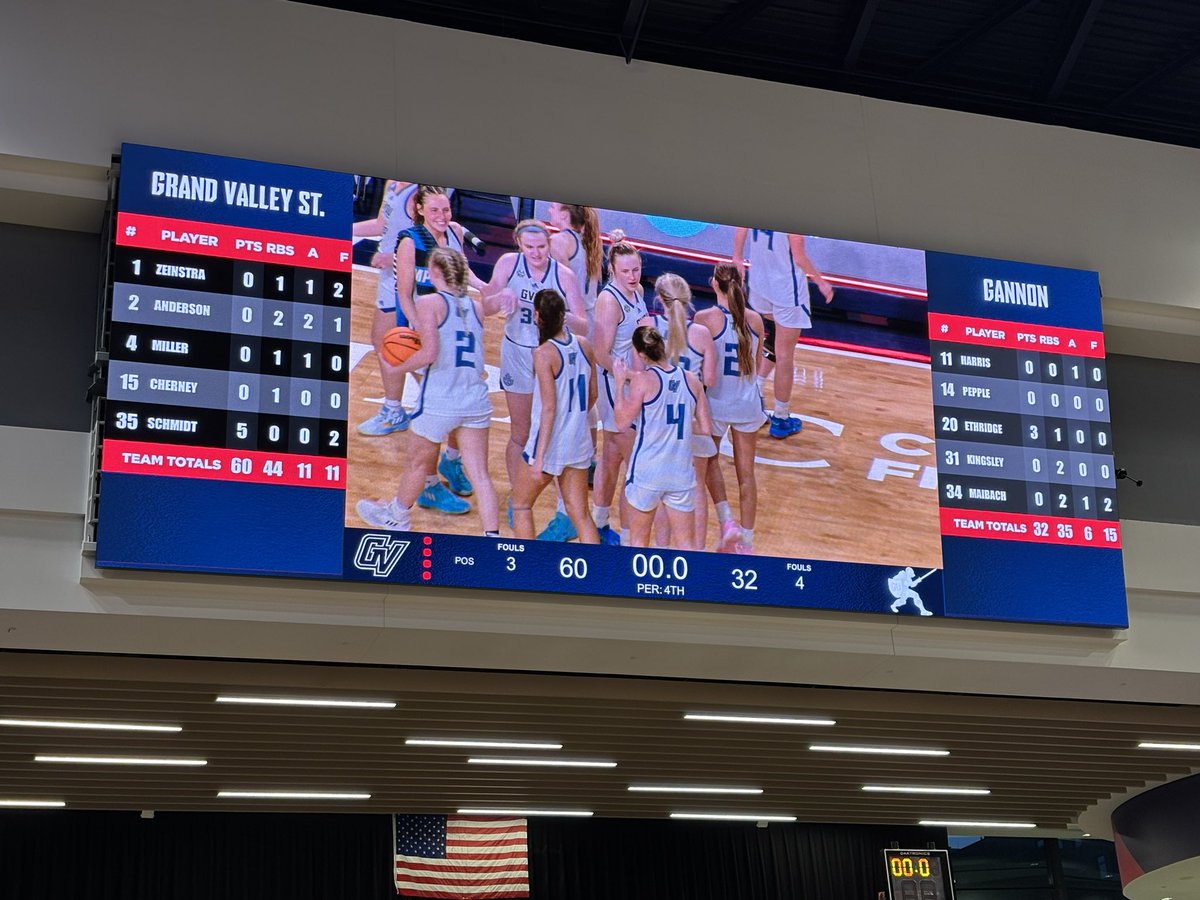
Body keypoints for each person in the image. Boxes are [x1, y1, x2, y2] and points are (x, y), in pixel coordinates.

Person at [356, 247, 503, 536]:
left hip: (440, 401)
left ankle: (397, 516)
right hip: (475, 400)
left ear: (435, 273)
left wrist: (393, 367)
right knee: (481, 476)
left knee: (416, 464)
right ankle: (492, 537)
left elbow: (429, 353)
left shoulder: (429, 303)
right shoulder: (474, 306)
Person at [359, 186, 485, 515]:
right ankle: (428, 484)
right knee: (434, 411)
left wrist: (486, 289)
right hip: (423, 333)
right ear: (420, 210)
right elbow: (403, 293)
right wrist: (419, 331)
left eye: (446, 210)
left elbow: (465, 275)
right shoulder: (408, 240)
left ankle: (451, 461)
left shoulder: (455, 234)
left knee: (460, 400)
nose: (443, 217)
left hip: (451, 331)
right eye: (435, 211)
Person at [482, 221, 587, 527]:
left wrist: (561, 316)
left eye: (541, 247)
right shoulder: (507, 264)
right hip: (517, 353)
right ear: (519, 244)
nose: (537, 253)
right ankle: (519, 499)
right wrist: (500, 300)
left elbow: (583, 324)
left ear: (549, 243)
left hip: (552, 358)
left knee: (556, 432)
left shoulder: (562, 275)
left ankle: (565, 510)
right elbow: (486, 306)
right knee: (520, 432)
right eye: (530, 247)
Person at [511, 289, 600, 544]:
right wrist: (574, 416)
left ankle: (525, 574)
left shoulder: (543, 354)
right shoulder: (584, 344)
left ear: (537, 316)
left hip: (549, 444)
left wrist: (539, 459)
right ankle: (597, 575)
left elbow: (549, 408)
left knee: (521, 506)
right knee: (581, 514)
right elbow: (593, 395)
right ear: (564, 315)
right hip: (579, 440)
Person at [612, 326, 712, 549]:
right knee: (687, 545)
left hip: (648, 472)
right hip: (680, 473)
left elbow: (621, 423)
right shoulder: (691, 379)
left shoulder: (642, 381)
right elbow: (706, 427)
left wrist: (620, 384)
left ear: (641, 355)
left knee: (639, 543)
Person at [732, 227, 834, 438]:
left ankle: (755, 395)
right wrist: (821, 282)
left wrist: (737, 257)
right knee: (785, 355)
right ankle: (781, 417)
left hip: (760, 284)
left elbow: (741, 227)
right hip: (786, 291)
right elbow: (799, 257)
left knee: (774, 340)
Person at [640, 273, 717, 548]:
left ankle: (661, 550)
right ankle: (697, 552)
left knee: (661, 490)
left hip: (658, 421)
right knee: (696, 490)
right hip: (691, 420)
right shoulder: (701, 333)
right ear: (688, 299)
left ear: (659, 299)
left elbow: (639, 371)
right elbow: (709, 380)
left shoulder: (649, 326)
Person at [695, 263, 765, 554]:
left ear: (713, 284)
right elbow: (758, 364)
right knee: (746, 474)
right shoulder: (756, 320)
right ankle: (746, 543)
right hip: (747, 404)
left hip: (717, 404)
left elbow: (699, 367)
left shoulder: (704, 319)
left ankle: (727, 522)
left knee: (708, 462)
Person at [590, 240, 649, 545]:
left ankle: (599, 523)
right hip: (613, 386)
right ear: (611, 270)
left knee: (611, 456)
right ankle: (628, 539)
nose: (632, 275)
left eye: (636, 269)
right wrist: (624, 377)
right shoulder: (608, 301)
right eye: (625, 270)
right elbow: (600, 353)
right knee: (634, 464)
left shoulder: (638, 292)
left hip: (630, 384)